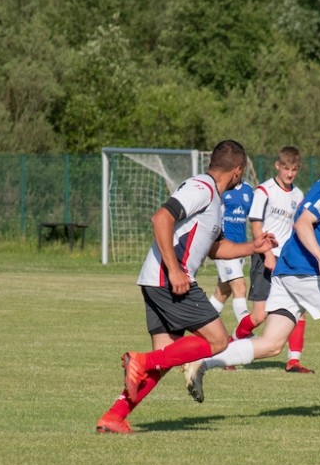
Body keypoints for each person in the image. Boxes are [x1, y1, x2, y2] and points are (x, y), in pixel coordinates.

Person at [184, 130, 320, 423]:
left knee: (271, 344)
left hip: (287, 270)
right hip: (303, 272)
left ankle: (203, 363)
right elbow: (303, 223)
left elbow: (308, 227)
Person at [95, 139, 277, 434]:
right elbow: (161, 218)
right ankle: (139, 360)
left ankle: (114, 416)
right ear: (238, 170)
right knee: (218, 341)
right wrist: (174, 270)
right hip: (169, 279)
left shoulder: (214, 199)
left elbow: (215, 248)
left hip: (158, 280)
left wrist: (252, 247)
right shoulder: (201, 188)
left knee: (166, 358)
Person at [233, 146, 314, 374]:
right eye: (286, 168)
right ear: (277, 165)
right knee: (259, 315)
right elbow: (255, 225)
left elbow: (298, 228)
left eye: (294, 169)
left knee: (297, 308)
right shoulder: (264, 191)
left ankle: (294, 361)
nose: (290, 174)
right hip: (265, 257)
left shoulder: (298, 195)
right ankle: (231, 345)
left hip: (287, 260)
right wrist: (267, 254)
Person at [209, 179, 255, 325]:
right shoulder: (222, 188)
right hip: (225, 247)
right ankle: (245, 332)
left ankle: (202, 326)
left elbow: (254, 216)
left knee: (223, 292)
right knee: (240, 287)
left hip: (240, 247)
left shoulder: (248, 189)